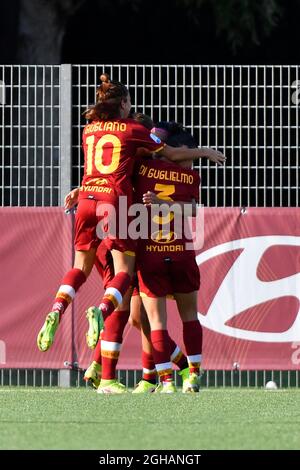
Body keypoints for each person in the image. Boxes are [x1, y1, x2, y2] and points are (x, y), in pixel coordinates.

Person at [37, 73, 225, 362]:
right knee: (128, 287)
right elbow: (172, 156)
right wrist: (205, 152)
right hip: (117, 206)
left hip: (87, 198)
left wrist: (79, 189)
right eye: (129, 102)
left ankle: (57, 311)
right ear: (123, 103)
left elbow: (106, 165)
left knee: (84, 272)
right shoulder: (135, 131)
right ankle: (103, 318)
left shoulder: (89, 130)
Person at [133, 121, 204, 393]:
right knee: (190, 316)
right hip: (181, 251)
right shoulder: (189, 177)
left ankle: (166, 382)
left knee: (156, 321)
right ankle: (193, 375)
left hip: (150, 252)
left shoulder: (141, 170)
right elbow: (193, 211)